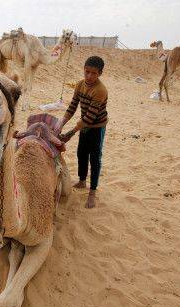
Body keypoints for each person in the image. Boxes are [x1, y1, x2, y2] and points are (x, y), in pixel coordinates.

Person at [56, 56, 108, 208]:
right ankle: (82, 180)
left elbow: (89, 118)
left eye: (94, 73)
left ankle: (92, 192)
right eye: (87, 72)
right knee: (81, 153)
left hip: (97, 127)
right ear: (83, 70)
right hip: (84, 125)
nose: (89, 76)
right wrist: (60, 124)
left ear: (100, 73)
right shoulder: (79, 85)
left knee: (95, 158)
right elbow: (72, 108)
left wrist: (70, 133)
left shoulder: (100, 90)